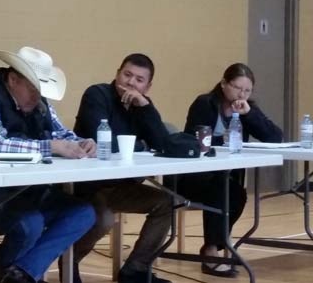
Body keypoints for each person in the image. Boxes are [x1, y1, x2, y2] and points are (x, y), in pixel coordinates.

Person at [0, 46, 96, 283]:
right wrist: (51, 146)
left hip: (28, 189)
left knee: (83, 213)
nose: (37, 96)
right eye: (33, 88)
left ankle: (20, 273)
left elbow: (60, 134)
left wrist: (82, 143)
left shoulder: (37, 101)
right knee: (30, 224)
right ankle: (12, 267)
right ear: (13, 79)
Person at [174, 63, 283, 277]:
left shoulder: (246, 109)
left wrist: (250, 114)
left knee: (237, 194)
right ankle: (212, 251)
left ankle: (214, 246)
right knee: (222, 190)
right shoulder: (205, 103)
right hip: (192, 177)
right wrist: (221, 141)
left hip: (223, 177)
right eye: (236, 88)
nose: (241, 94)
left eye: (247, 90)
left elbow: (274, 138)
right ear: (224, 84)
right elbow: (196, 139)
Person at [73, 53, 173, 283]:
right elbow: (101, 138)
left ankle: (135, 270)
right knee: (103, 219)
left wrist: (146, 108)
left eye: (139, 79)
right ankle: (71, 261)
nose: (131, 82)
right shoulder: (97, 94)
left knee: (166, 202)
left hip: (122, 185)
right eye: (127, 75)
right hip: (88, 186)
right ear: (117, 73)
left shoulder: (142, 105)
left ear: (148, 86)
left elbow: (162, 143)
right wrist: (140, 144)